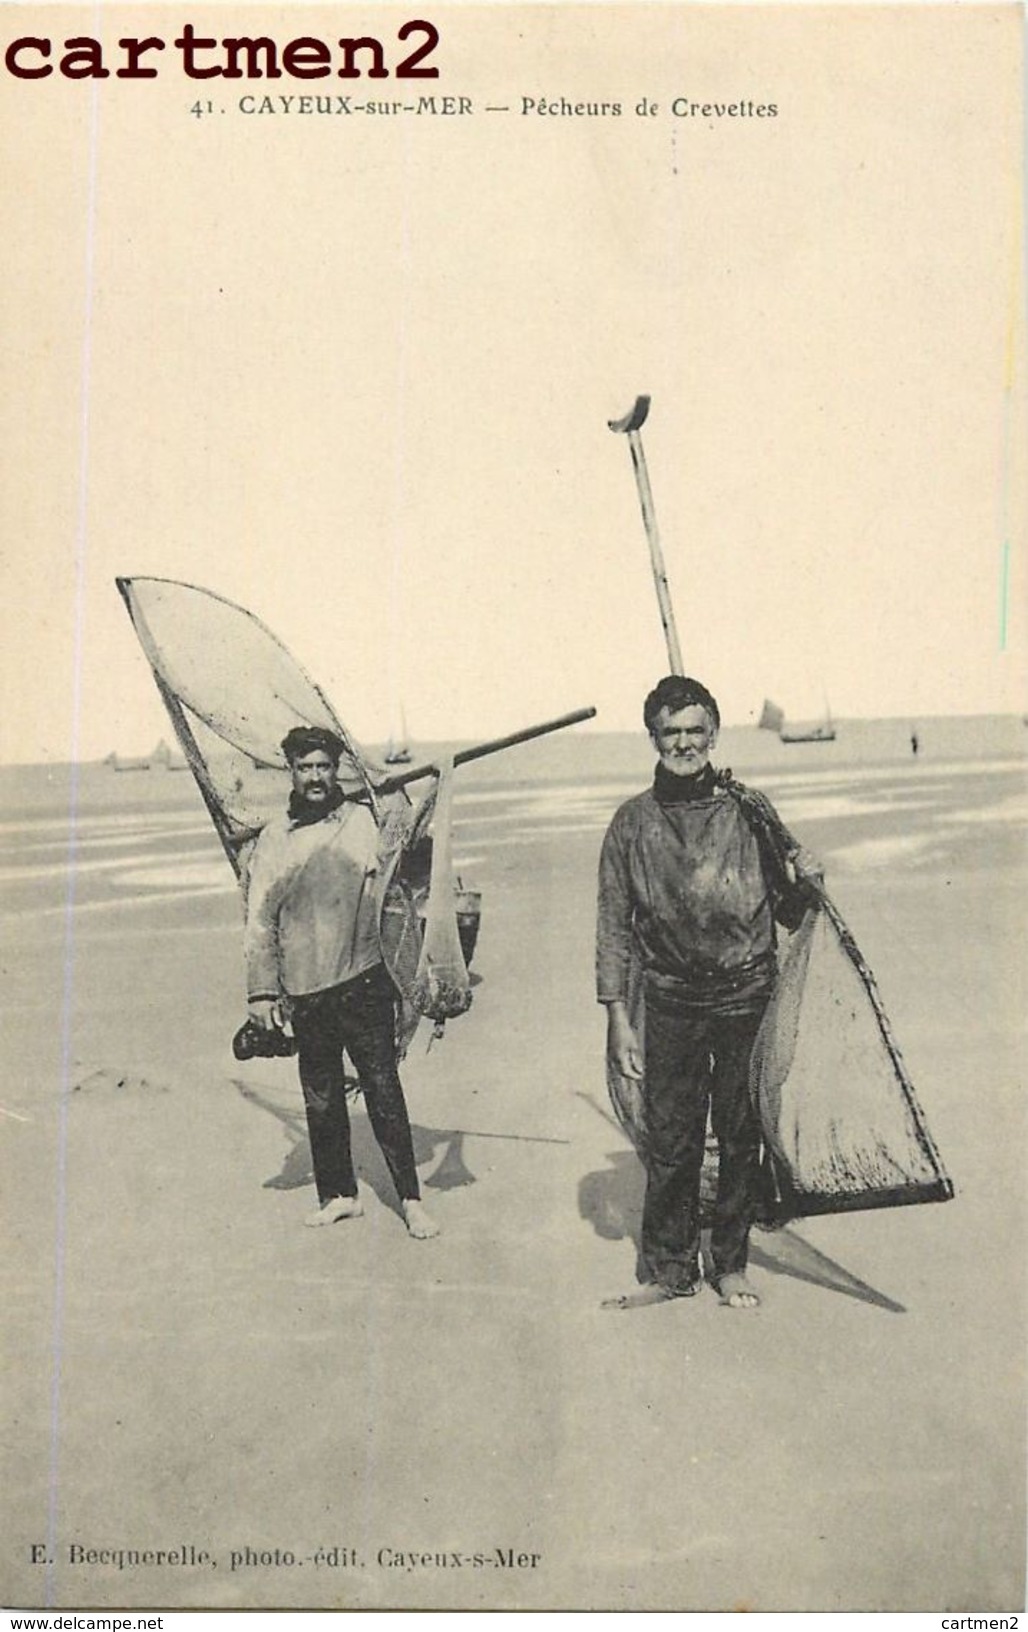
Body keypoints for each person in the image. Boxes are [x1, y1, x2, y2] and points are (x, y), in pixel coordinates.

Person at [596, 676, 820, 1308]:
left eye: (696, 731)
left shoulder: (748, 810)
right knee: (671, 1140)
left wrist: (807, 880)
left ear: (714, 734)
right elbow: (612, 925)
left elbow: (788, 907)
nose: (685, 743)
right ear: (653, 738)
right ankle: (669, 1269)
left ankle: (731, 1264)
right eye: (672, 732)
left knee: (742, 1133)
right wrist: (619, 1018)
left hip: (747, 994)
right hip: (668, 1000)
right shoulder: (631, 823)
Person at [244, 725, 438, 1238]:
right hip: (305, 987)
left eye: (323, 767)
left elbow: (407, 837)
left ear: (336, 770)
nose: (314, 776)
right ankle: (339, 1195)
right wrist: (261, 992)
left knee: (382, 1087)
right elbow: (261, 919)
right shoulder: (273, 838)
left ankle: (412, 1200)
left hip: (363, 977)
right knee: (322, 1096)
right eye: (305, 767)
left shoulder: (360, 821)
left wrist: (424, 785)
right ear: (291, 772)